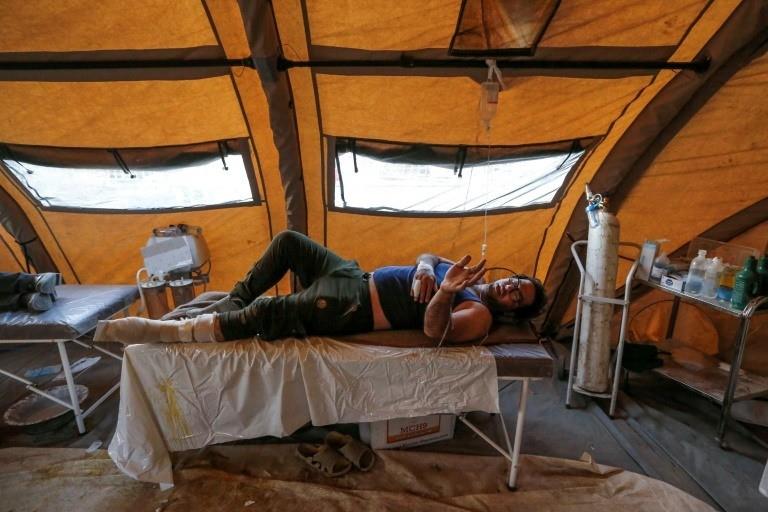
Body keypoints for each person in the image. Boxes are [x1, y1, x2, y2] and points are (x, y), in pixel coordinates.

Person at [94, 231, 546, 344]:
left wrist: (445, 293)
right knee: (290, 241)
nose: (510, 287)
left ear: (511, 311)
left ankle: (171, 332)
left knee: (272, 314)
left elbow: (435, 333)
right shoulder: (471, 275)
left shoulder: (479, 312)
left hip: (353, 307)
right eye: (516, 281)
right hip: (353, 275)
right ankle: (235, 297)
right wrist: (428, 267)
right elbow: (427, 256)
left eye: (517, 296)